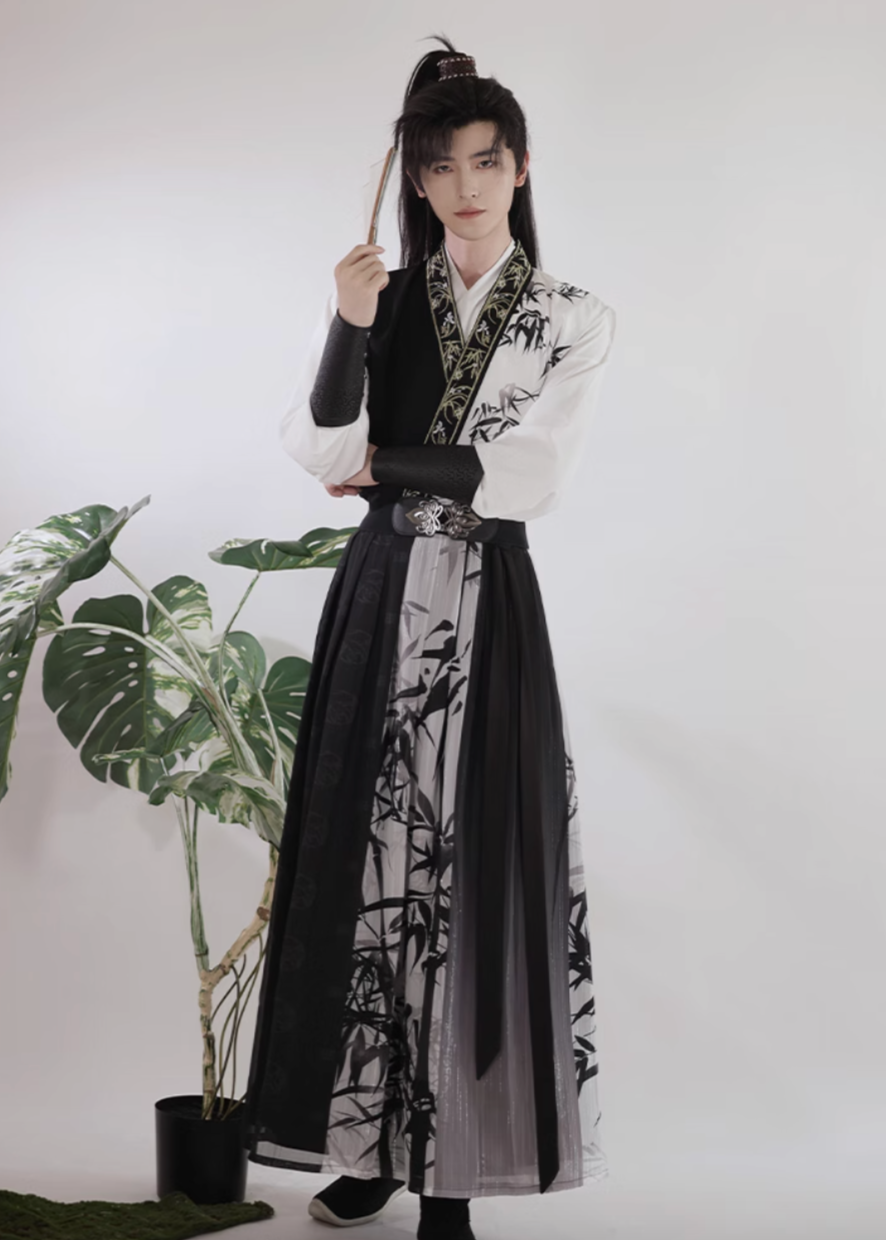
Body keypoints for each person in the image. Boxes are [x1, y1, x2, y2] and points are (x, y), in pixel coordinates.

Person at [241, 35, 617, 1240]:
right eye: (441, 165)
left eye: (485, 161)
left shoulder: (570, 317)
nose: (465, 185)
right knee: (366, 871)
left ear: (520, 169)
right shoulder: (384, 296)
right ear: (415, 178)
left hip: (486, 607)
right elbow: (316, 447)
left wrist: (382, 464)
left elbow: (530, 476)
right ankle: (368, 1147)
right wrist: (348, 325)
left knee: (468, 880)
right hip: (379, 591)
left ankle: (449, 1172)